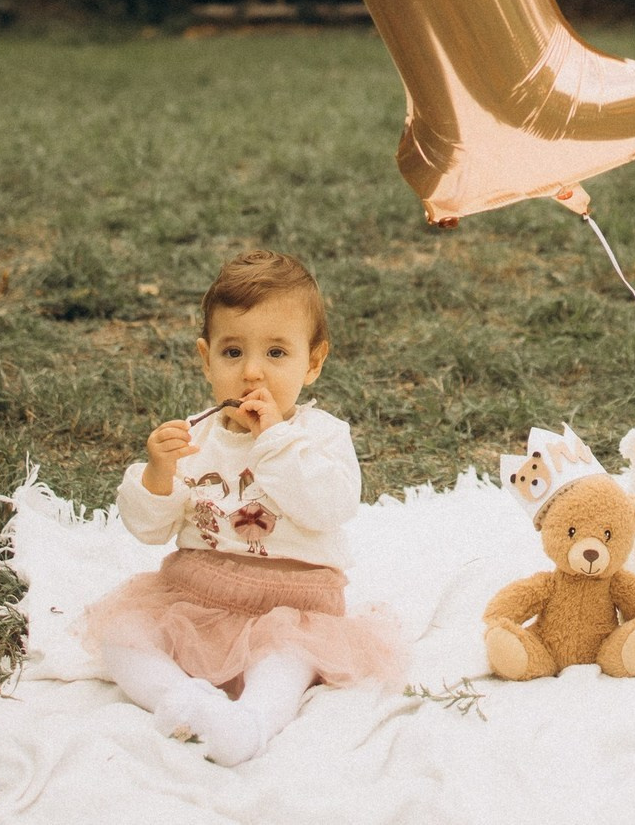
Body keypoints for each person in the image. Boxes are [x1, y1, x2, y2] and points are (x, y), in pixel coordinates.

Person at [80, 249, 401, 762]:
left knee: (285, 662)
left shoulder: (318, 436)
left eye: (276, 353)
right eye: (232, 352)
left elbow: (330, 507)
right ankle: (181, 700)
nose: (252, 372)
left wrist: (273, 440)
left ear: (313, 363)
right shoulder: (196, 437)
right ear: (206, 359)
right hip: (196, 594)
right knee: (122, 636)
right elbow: (148, 529)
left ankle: (249, 726)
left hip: (292, 605)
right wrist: (158, 475)